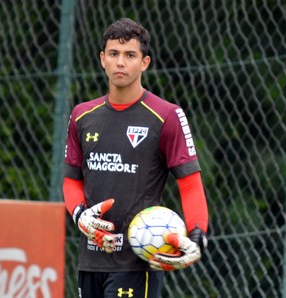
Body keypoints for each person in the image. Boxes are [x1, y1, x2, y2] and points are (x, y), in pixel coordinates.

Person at [63, 18, 208, 298]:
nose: (121, 63)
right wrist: (80, 215)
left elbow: (190, 184)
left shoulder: (166, 116)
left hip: (137, 262)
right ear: (102, 59)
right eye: (114, 54)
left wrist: (197, 235)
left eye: (130, 55)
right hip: (91, 258)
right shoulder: (81, 116)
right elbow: (71, 181)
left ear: (145, 62)